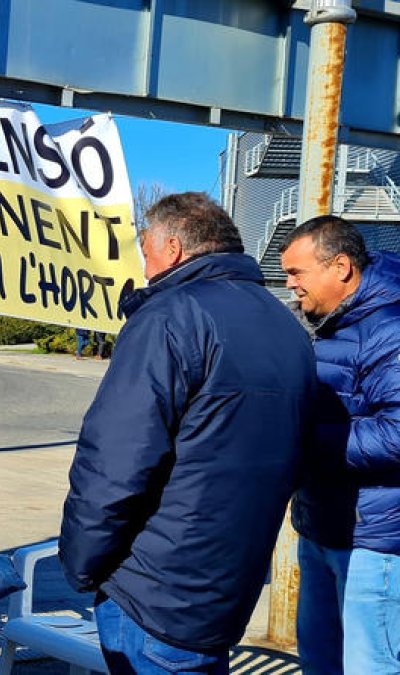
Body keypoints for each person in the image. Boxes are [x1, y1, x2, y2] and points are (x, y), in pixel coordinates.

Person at [59, 192, 316, 674]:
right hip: (226, 588)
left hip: (153, 593)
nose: (145, 267)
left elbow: (115, 464)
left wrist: (79, 564)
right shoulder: (286, 326)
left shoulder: (168, 318)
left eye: (147, 252)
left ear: (173, 248)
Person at [281, 215, 400, 674]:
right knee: (320, 663)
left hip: (375, 544)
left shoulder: (389, 330)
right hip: (321, 528)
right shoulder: (334, 325)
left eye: (297, 273)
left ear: (342, 267)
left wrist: (302, 440)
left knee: (371, 666)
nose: (290, 284)